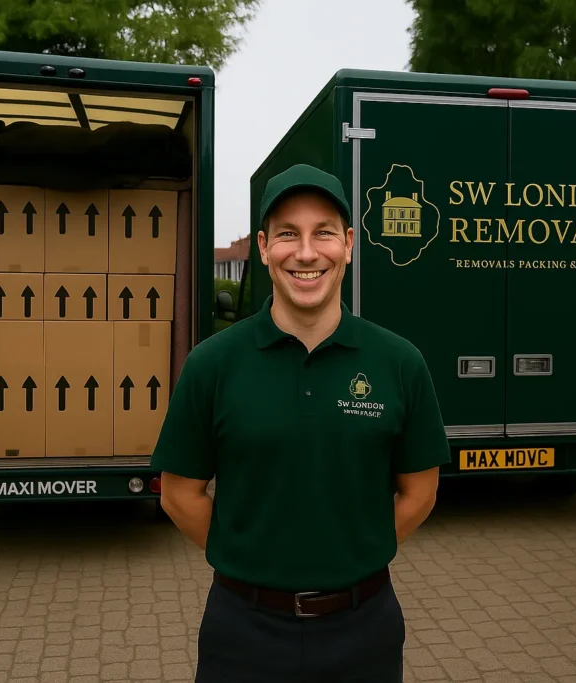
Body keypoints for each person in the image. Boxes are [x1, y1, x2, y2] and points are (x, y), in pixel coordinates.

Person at [151, 163, 451, 683]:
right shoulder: (212, 364)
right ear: (264, 248)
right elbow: (179, 495)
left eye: (324, 233)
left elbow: (420, 492)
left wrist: (353, 551)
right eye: (288, 234)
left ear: (350, 244)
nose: (307, 253)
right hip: (242, 633)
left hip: (365, 629)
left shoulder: (399, 363)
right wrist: (250, 556)